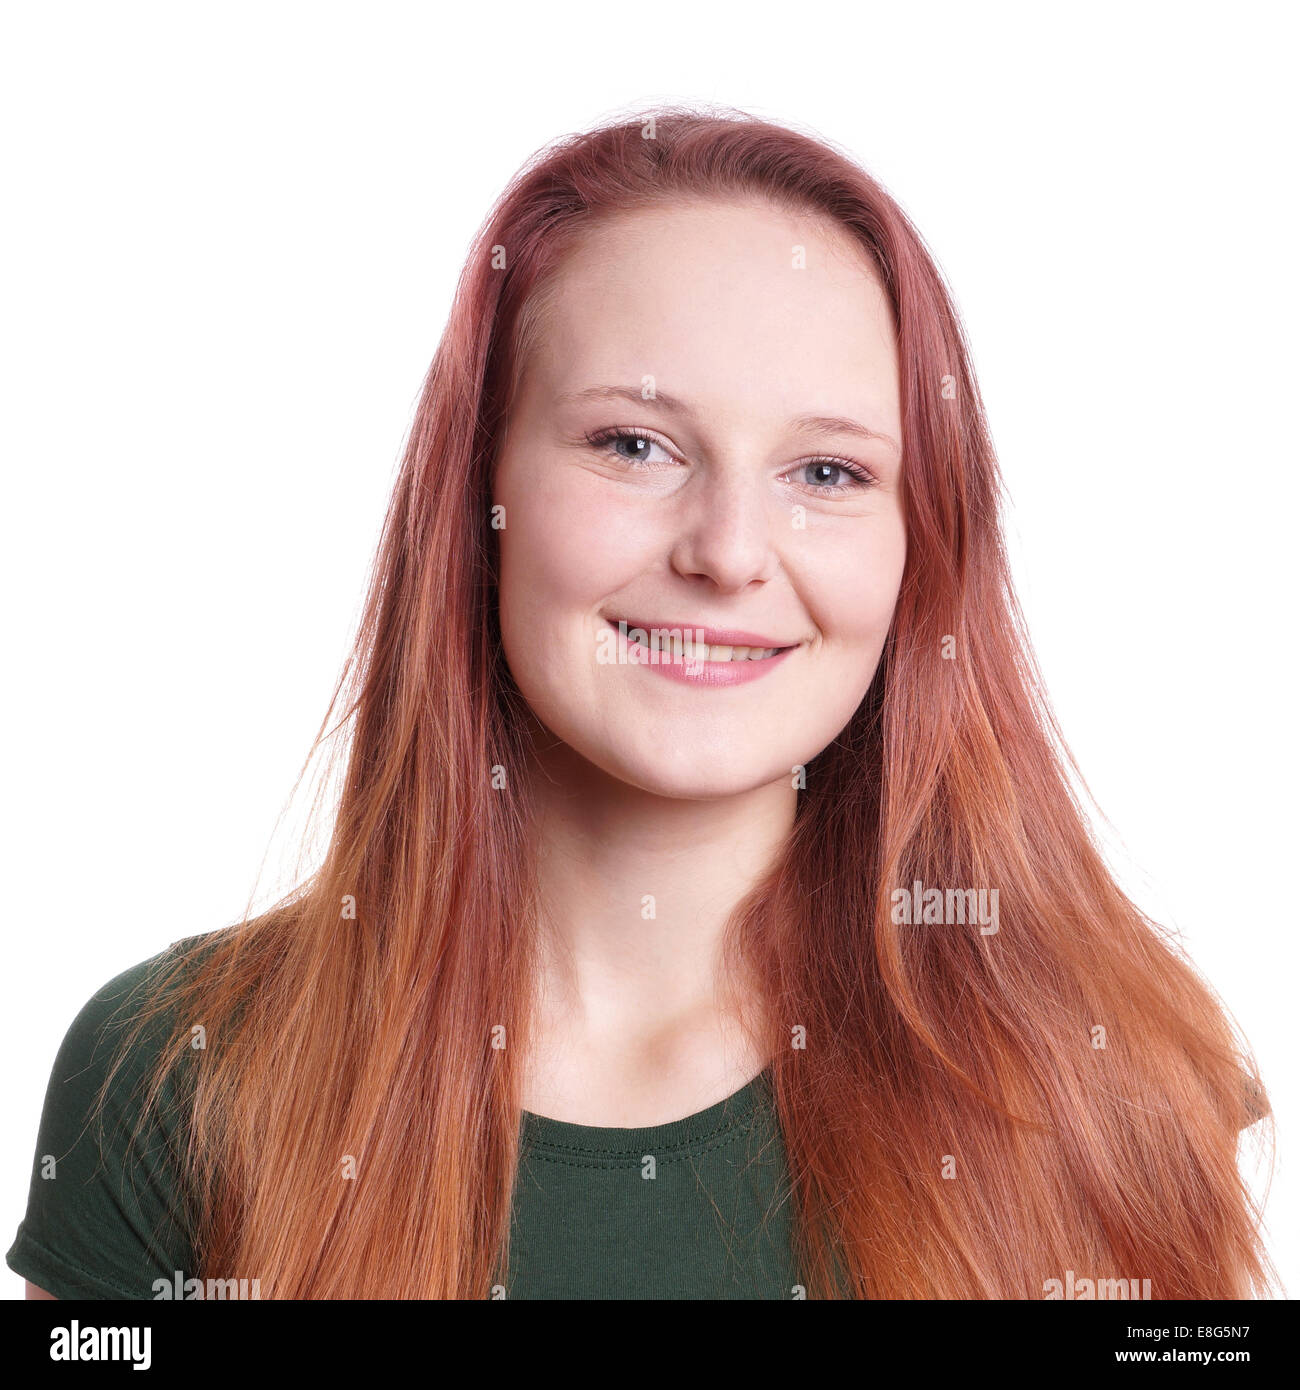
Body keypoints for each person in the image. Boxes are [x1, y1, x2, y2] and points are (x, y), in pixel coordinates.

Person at [8, 104, 1274, 1300]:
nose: (728, 550)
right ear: (479, 499)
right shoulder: (174, 1079)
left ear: (919, 547)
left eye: (826, 469)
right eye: (634, 445)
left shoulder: (1112, 1079)